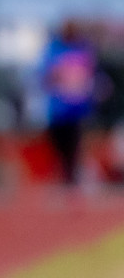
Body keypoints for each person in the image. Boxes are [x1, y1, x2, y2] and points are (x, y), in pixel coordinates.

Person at [41, 19, 105, 188]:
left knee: (75, 147)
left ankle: (73, 177)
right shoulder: (53, 49)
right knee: (59, 146)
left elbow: (91, 75)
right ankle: (64, 175)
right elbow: (45, 76)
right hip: (58, 110)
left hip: (77, 110)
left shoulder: (84, 49)